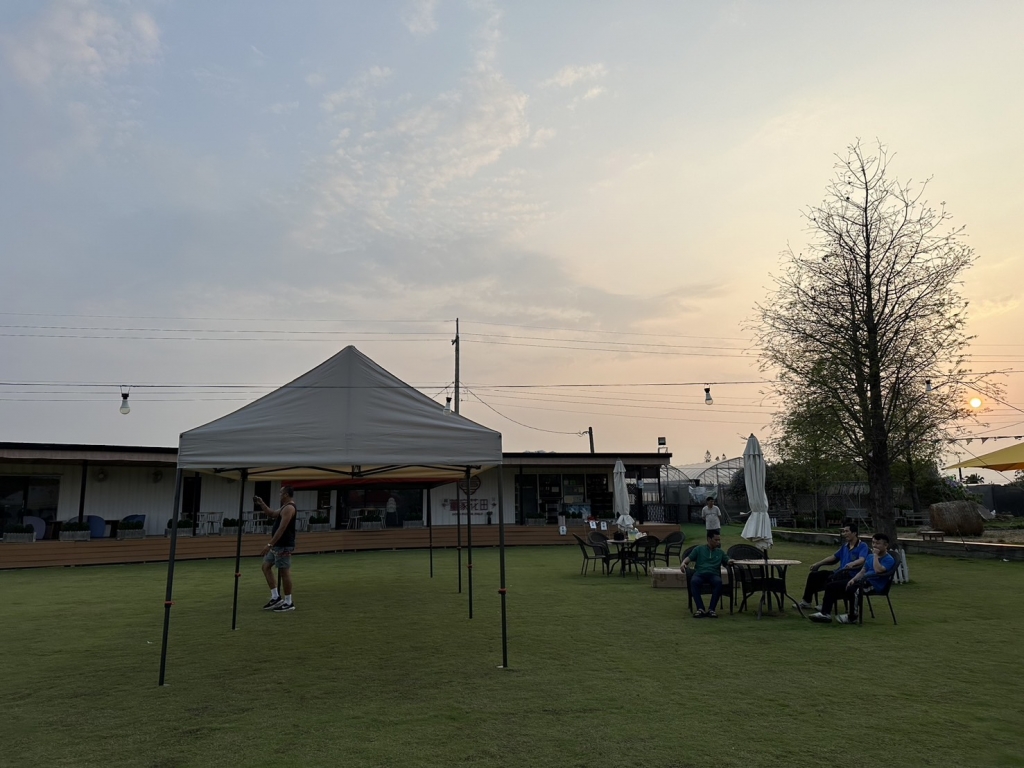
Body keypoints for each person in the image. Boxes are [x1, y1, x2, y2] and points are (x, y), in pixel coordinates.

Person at [809, 533, 895, 624]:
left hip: (873, 585)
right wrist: (853, 579)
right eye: (873, 543)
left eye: (878, 543)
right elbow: (863, 571)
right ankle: (825, 614)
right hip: (862, 581)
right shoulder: (870, 557)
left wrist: (876, 556)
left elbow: (878, 570)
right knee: (831, 586)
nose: (874, 545)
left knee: (854, 589)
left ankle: (852, 617)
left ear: (885, 545)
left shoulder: (889, 559)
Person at [798, 524, 869, 611]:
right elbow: (834, 557)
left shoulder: (862, 546)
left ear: (854, 533)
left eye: (847, 531)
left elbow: (862, 559)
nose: (844, 533)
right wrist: (819, 563)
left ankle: (825, 604)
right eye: (843, 531)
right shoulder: (845, 546)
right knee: (813, 575)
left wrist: (853, 563)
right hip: (839, 572)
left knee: (831, 579)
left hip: (851, 575)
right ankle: (806, 602)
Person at [256, 485, 297, 612]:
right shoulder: (285, 507)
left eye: (281, 493)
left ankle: (289, 602)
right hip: (277, 545)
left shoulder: (289, 508)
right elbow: (272, 514)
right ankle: (276, 597)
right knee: (266, 566)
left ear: (286, 494)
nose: (279, 495)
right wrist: (262, 504)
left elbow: (282, 529)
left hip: (283, 545)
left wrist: (269, 545)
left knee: (284, 572)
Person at [681, 531, 733, 618]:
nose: (718, 542)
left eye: (719, 540)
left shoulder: (720, 552)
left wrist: (731, 561)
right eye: (716, 540)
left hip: (713, 574)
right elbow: (688, 559)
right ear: (709, 539)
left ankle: (711, 609)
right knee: (694, 581)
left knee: (718, 582)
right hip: (700, 573)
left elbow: (728, 560)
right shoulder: (699, 549)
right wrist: (683, 563)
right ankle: (700, 609)